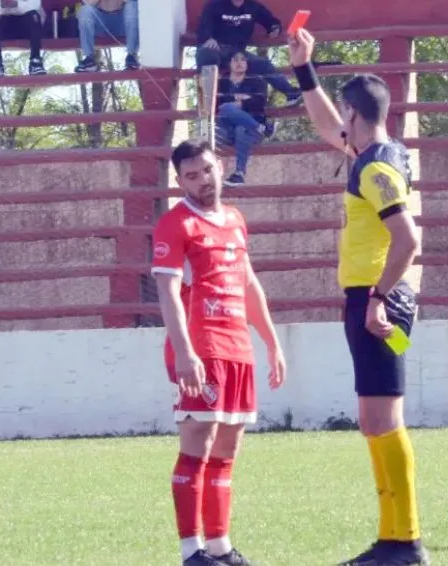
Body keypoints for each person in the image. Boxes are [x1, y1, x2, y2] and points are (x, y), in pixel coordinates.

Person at [287, 27, 428, 566]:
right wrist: (306, 70)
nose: (337, 123)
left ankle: (406, 540)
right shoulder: (374, 152)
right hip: (373, 297)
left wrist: (377, 297)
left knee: (385, 420)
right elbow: (326, 126)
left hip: (378, 301)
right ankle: (393, 537)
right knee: (374, 419)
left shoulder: (375, 165)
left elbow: (408, 238)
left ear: (354, 112)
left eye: (343, 114)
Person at [151, 139, 287, 566]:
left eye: (206, 170)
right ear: (179, 181)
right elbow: (169, 294)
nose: (202, 180)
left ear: (220, 167)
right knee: (198, 441)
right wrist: (186, 352)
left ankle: (220, 547)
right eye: (191, 175)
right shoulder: (175, 225)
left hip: (237, 348)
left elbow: (248, 284)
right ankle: (191, 551)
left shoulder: (235, 220)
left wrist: (271, 341)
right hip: (201, 349)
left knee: (228, 447)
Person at [196, 0, 303, 107]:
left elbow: (271, 21)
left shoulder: (253, 6)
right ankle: (206, 101)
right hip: (216, 49)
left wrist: (274, 28)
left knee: (263, 64)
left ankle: (291, 93)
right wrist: (208, 38)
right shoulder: (215, 5)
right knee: (208, 55)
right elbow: (203, 26)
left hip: (237, 53)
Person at [215, 50, 276, 187]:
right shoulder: (221, 82)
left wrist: (236, 103)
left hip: (249, 133)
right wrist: (243, 101)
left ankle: (239, 174)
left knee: (241, 128)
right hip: (226, 131)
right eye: (235, 60)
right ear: (229, 64)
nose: (239, 63)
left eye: (242, 60)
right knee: (226, 109)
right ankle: (262, 128)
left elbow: (259, 103)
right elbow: (217, 104)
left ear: (247, 64)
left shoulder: (256, 81)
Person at [74, 0, 141, 72]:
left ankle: (132, 56)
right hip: (100, 22)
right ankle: (89, 59)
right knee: (85, 11)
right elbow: (88, 3)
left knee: (132, 6)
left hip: (123, 22)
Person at [0, 0, 46, 77]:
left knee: (34, 16)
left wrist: (17, 4)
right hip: (5, 22)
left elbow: (34, 5)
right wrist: (2, 6)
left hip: (26, 24)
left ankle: (35, 62)